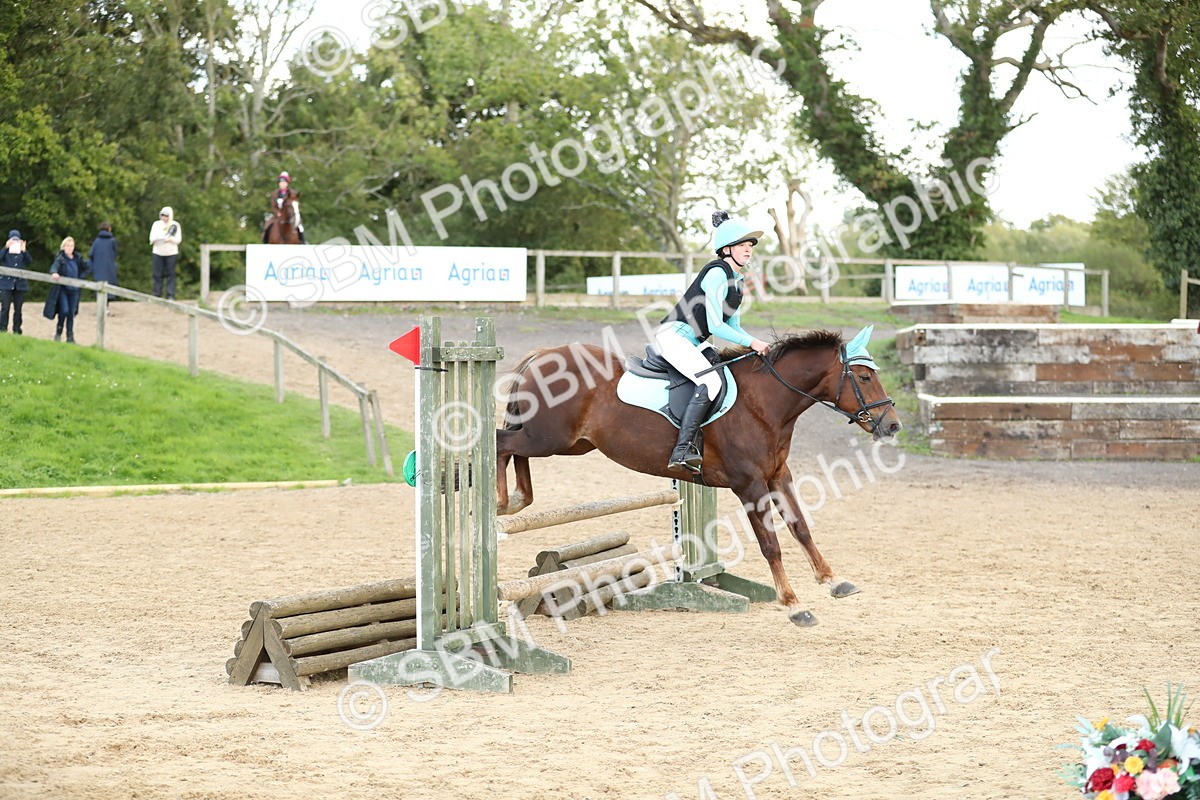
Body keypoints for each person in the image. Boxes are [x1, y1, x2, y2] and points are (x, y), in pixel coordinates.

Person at [655, 210, 772, 473]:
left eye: (750, 245)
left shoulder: (737, 282)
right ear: (726, 248)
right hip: (674, 336)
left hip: (694, 341)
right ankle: (682, 449)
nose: (748, 249)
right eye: (743, 245)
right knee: (709, 380)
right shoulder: (716, 273)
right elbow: (717, 327)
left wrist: (751, 346)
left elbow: (734, 326)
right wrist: (753, 342)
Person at [45, 236, 90, 343]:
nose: (70, 248)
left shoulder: (77, 258)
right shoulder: (60, 258)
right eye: (68, 246)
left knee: (71, 313)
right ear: (63, 247)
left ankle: (70, 337)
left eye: (72, 246)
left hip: (74, 290)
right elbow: (54, 266)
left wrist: (80, 278)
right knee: (64, 310)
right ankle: (58, 333)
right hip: (63, 289)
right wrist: (54, 273)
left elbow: (87, 268)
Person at [0, 229, 33, 334]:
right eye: (12, 240)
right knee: (5, 307)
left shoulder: (22, 253)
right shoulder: (6, 252)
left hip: (20, 285)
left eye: (16, 240)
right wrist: (5, 247)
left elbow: (30, 261)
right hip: (6, 284)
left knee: (18, 309)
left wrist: (24, 250)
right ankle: (2, 329)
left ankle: (17, 329)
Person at [262, 171, 306, 244]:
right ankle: (265, 241)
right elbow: (273, 205)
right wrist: (277, 213)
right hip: (278, 215)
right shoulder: (275, 193)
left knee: (300, 226)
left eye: (284, 182)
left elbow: (294, 204)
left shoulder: (292, 193)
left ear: (287, 183)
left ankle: (303, 242)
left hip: (290, 214)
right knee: (268, 225)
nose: (282, 184)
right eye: (280, 182)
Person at [149, 206, 182, 299]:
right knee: (157, 274)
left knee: (170, 274)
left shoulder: (175, 225)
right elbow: (151, 238)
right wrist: (158, 239)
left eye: (167, 216)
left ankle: (170, 294)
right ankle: (157, 293)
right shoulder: (156, 224)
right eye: (163, 215)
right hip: (158, 252)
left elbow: (178, 239)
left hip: (171, 253)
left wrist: (170, 239)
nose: (165, 218)